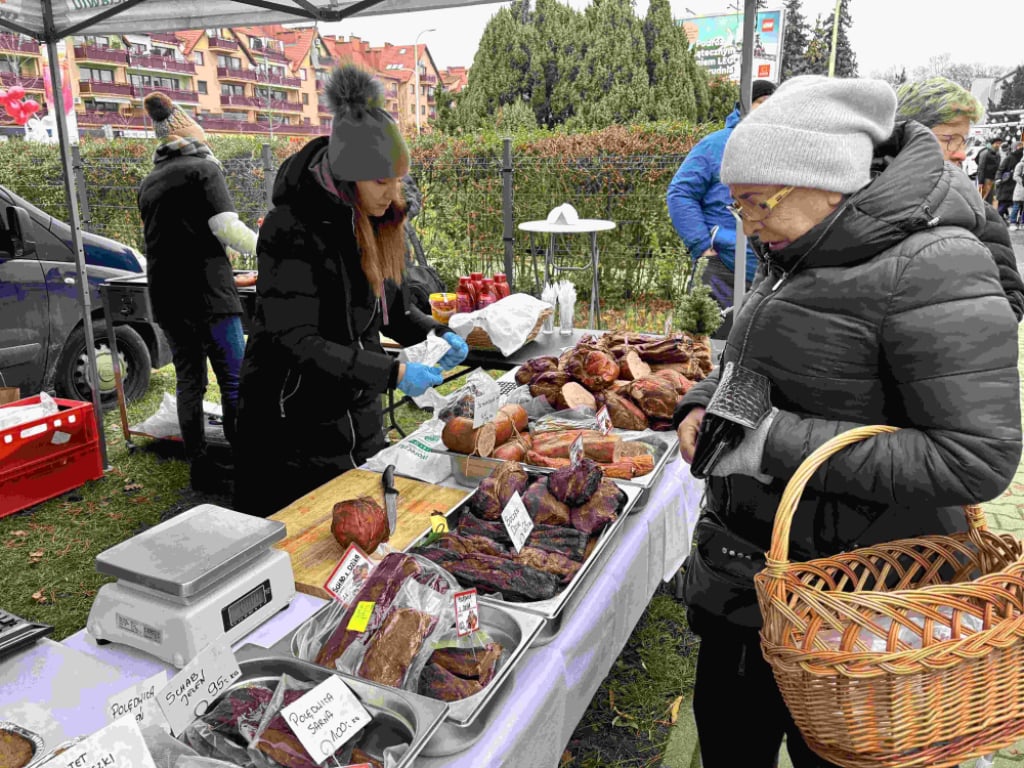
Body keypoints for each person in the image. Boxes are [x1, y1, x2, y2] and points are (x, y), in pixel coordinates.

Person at [674, 76, 1021, 768]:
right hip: (751, 582)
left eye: (754, 203)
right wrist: (704, 402)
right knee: (730, 741)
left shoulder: (933, 266)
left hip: (854, 609)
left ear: (825, 181)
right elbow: (762, 350)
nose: (744, 223)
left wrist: (775, 444)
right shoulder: (804, 244)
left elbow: (975, 459)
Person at [233, 65, 468, 517]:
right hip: (290, 420)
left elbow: (394, 311)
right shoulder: (292, 229)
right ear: (347, 176)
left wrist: (432, 336)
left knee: (367, 520)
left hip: (354, 409)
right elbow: (298, 341)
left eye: (397, 179)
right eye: (381, 181)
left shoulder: (379, 218)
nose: (392, 193)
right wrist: (393, 373)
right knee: (303, 539)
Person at [137, 92, 259, 492]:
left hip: (167, 299)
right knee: (234, 380)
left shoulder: (148, 182)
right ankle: (245, 463)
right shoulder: (204, 171)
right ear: (195, 139)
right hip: (209, 296)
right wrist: (272, 244)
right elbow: (228, 231)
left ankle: (201, 467)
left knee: (190, 381)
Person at [895, 76, 1024, 321]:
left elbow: (1010, 302)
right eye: (949, 139)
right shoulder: (858, 197)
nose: (962, 153)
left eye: (963, 140)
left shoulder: (983, 217)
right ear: (904, 136)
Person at [666, 80, 776, 323]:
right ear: (743, 106)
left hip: (769, 274)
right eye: (761, 103)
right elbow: (680, 194)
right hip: (722, 266)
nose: (768, 110)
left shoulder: (780, 150)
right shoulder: (715, 146)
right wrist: (703, 246)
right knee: (709, 348)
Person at [996, 141, 1024, 221]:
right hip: (1009, 184)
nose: (1021, 147)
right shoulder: (1010, 157)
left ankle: (1007, 218)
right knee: (1007, 202)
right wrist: (998, 179)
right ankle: (1001, 217)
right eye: (1019, 146)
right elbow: (1000, 170)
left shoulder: (1015, 156)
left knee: (1012, 203)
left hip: (1014, 183)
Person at [975, 135, 1004, 203]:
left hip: (993, 178)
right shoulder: (985, 153)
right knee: (982, 197)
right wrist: (981, 181)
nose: (998, 145)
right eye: (997, 143)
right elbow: (981, 167)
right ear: (992, 144)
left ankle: (987, 212)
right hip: (986, 178)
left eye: (1000, 143)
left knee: (990, 198)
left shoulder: (997, 154)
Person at [1011, 152, 1024, 230]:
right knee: (1016, 207)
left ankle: (1022, 223)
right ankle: (1013, 222)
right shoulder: (1020, 165)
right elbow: (1015, 176)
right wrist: (1022, 182)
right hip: (1020, 189)